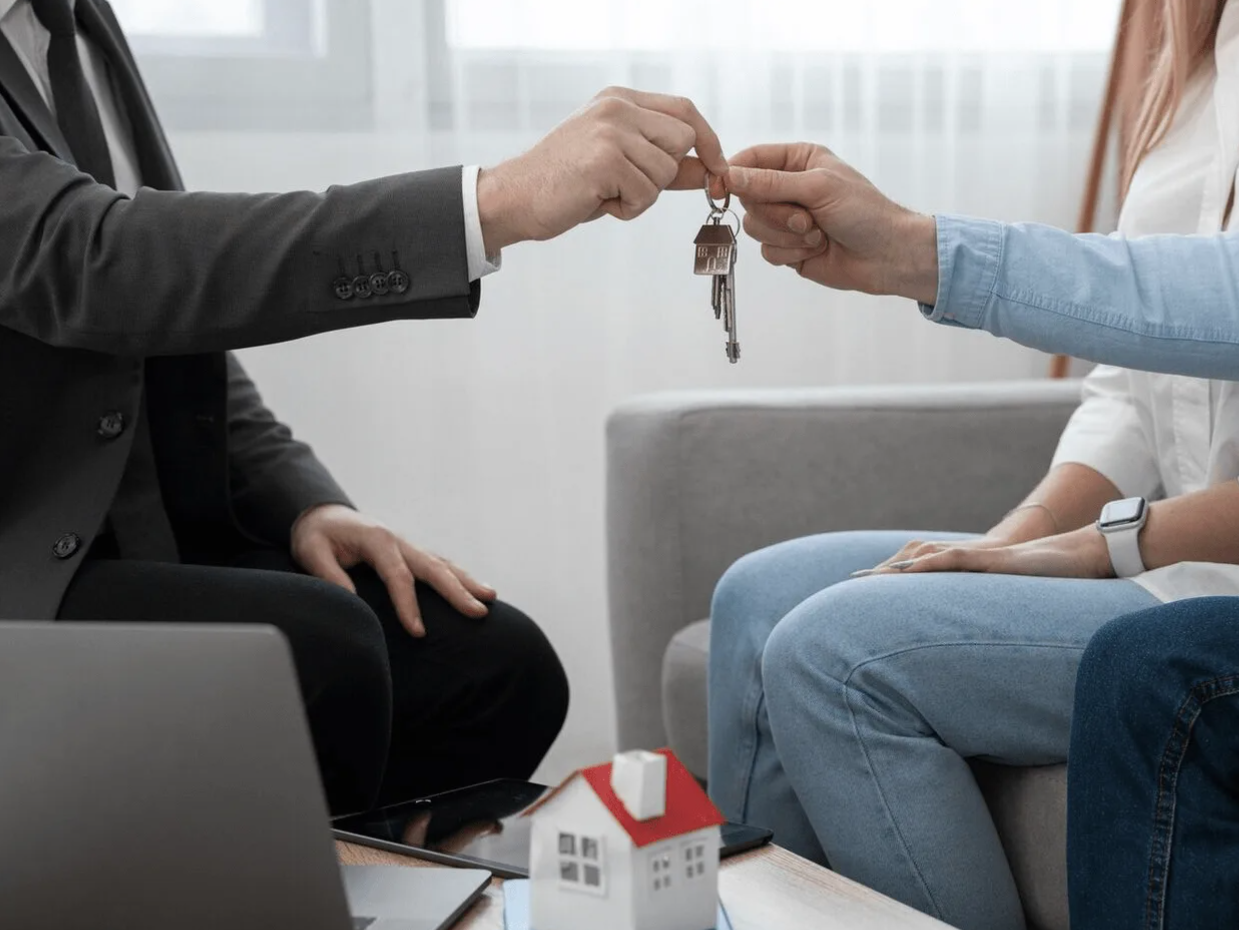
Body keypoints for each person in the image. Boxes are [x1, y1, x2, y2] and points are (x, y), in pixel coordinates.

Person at [706, 2, 1239, 929]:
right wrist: (1012, 545)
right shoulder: (1210, 31)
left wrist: (1104, 546)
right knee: (755, 596)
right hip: (1153, 559)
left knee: (835, 654)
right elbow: (1133, 382)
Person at [0, 0, 729, 816]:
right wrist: (493, 201)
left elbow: (166, 330)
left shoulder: (74, 18)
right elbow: (106, 266)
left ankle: (370, 885)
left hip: (148, 531)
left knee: (502, 669)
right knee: (320, 654)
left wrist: (303, 501)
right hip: (26, 563)